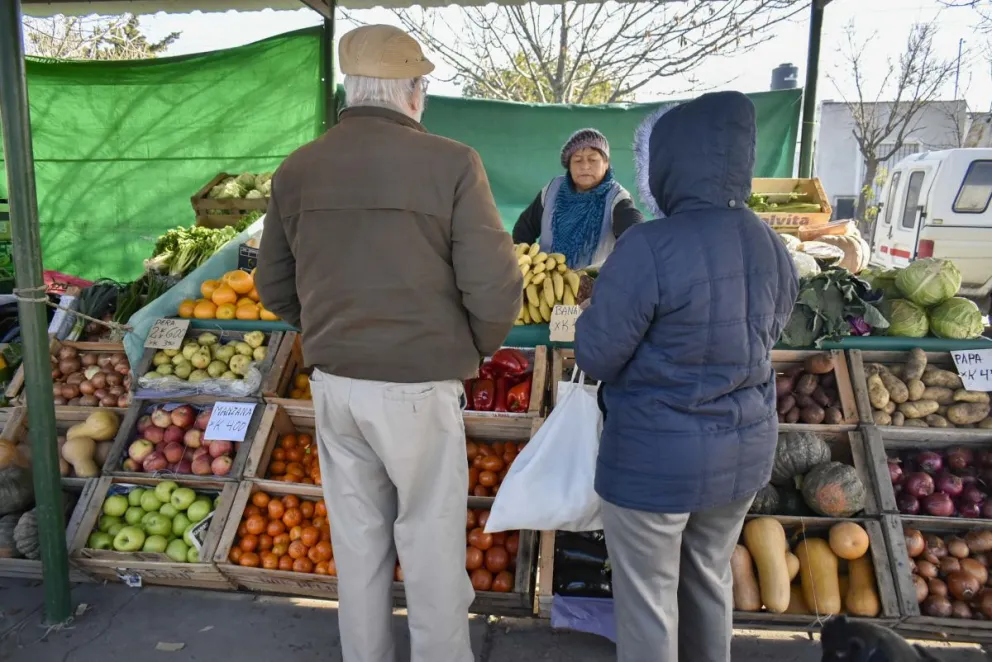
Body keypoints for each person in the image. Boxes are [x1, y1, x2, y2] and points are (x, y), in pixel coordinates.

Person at [254, 24, 522, 662]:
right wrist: (471, 349)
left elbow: (273, 285)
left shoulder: (298, 168)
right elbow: (495, 285)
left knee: (358, 544)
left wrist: (327, 330)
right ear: (414, 92)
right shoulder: (453, 162)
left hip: (335, 384)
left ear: (352, 90)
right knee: (429, 546)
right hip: (418, 385)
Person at [573, 91, 799, 662]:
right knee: (707, 575)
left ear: (671, 163)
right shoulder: (769, 242)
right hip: (742, 453)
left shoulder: (649, 244)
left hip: (654, 458)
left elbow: (598, 355)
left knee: (649, 597)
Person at [512, 129, 643, 270]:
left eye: (593, 159)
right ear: (569, 165)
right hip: (546, 282)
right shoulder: (552, 190)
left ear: (606, 163)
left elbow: (636, 238)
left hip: (596, 285)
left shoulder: (617, 199)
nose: (585, 166)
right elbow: (524, 229)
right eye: (577, 160)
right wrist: (527, 265)